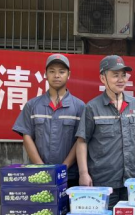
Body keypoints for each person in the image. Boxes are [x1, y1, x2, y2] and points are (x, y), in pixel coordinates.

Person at [75, 55, 135, 205]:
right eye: (115, 75)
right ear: (103, 78)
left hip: (132, 180)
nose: (121, 80)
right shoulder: (92, 107)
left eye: (123, 75)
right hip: (103, 181)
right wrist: (83, 173)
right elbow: (82, 141)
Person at [13, 54, 85, 187]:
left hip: (69, 176)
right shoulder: (32, 105)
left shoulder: (79, 107)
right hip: (39, 175)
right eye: (52, 71)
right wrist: (41, 167)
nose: (56, 75)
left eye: (61, 72)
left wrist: (63, 168)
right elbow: (27, 136)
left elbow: (80, 140)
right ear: (45, 74)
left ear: (69, 75)